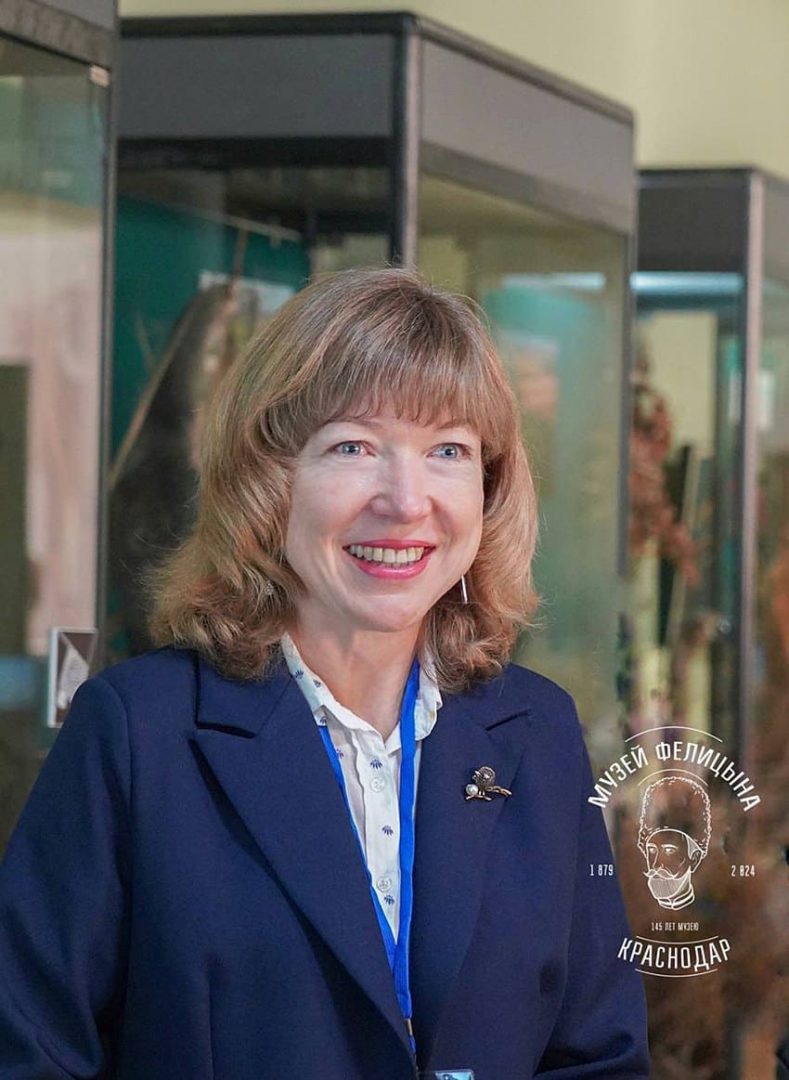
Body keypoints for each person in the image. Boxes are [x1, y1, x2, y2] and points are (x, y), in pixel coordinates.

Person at [0, 267, 650, 1079]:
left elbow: (594, 1055)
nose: (405, 500)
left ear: (487, 489)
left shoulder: (537, 730)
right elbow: (29, 1053)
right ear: (267, 480)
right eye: (353, 447)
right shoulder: (137, 734)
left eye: (447, 451)